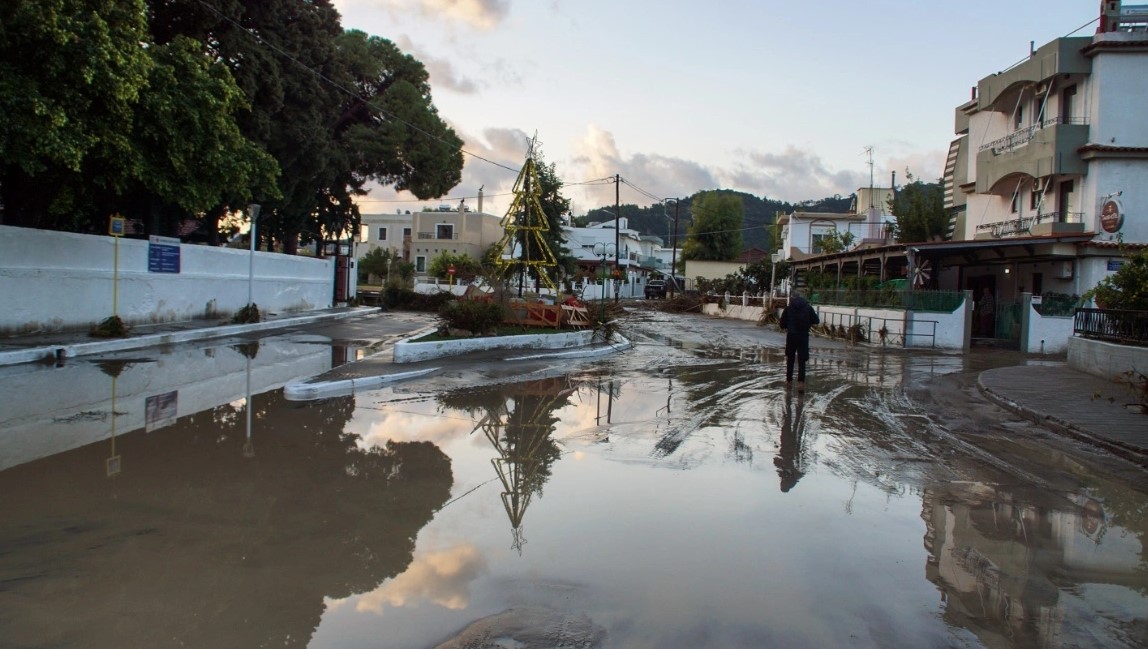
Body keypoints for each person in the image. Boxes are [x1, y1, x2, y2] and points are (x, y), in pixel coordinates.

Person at [779, 290, 819, 391]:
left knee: (790, 358)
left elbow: (782, 324)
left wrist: (788, 325)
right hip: (803, 336)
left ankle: (789, 381)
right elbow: (816, 320)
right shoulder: (808, 307)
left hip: (791, 335)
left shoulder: (788, 309)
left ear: (792, 298)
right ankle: (801, 383)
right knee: (802, 360)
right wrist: (807, 322)